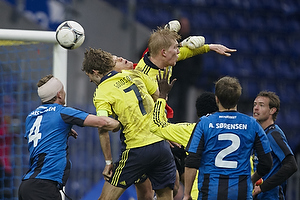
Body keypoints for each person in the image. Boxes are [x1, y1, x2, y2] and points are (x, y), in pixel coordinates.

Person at [82, 48, 177, 200]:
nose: (90, 80)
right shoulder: (135, 73)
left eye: (89, 76)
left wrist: (108, 162)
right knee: (164, 195)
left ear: (95, 71)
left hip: (136, 149)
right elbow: (158, 99)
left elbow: (103, 124)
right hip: (161, 146)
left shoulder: (101, 92)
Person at [18, 74, 120, 200]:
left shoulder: (31, 117)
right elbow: (103, 122)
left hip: (27, 185)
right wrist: (121, 123)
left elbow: (42, 135)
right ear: (59, 94)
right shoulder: (62, 112)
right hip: (43, 186)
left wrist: (63, 129)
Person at [183, 76, 273, 200]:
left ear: (217, 99)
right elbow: (267, 163)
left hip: (210, 191)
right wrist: (252, 179)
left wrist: (187, 194)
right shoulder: (252, 124)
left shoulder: (204, 123)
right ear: (237, 99)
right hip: (240, 192)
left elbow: (192, 161)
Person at [153, 68, 219, 199]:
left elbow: (156, 125)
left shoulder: (191, 129)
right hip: (231, 190)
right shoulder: (236, 130)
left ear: (197, 112)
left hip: (200, 192)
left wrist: (162, 97)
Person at [252, 91, 298, 199]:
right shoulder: (260, 134)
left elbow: (291, 165)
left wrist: (263, 187)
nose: (256, 108)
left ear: (272, 110)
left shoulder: (273, 134)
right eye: (255, 104)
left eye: (261, 105)